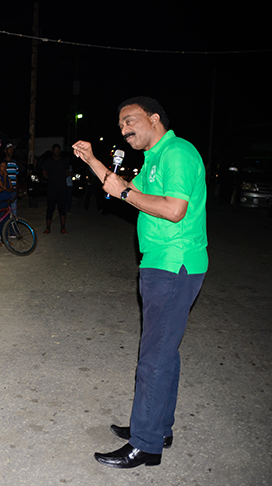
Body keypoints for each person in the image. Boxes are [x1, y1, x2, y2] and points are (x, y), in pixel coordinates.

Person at [72, 96, 208, 469]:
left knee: (153, 358)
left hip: (173, 264)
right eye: (120, 126)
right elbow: (124, 189)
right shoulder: (155, 157)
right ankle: (158, 426)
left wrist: (126, 193)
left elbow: (174, 210)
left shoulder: (176, 153)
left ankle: (145, 444)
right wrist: (93, 161)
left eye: (130, 121)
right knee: (166, 353)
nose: (124, 129)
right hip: (164, 263)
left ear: (154, 118)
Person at [42, 144, 70, 234]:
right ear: (52, 151)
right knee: (50, 208)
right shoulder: (48, 162)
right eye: (55, 150)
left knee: (62, 209)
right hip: (51, 189)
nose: (57, 151)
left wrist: (61, 178)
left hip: (62, 188)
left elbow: (67, 171)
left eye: (58, 150)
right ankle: (48, 228)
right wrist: (51, 179)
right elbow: (44, 173)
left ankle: (63, 228)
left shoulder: (64, 161)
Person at [0, 143, 19, 214]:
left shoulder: (14, 164)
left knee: (14, 211)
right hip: (5, 190)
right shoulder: (1, 164)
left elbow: (16, 177)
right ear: (5, 151)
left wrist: (16, 189)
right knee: (5, 211)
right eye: (9, 149)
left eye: (12, 149)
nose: (11, 151)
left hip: (12, 191)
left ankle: (13, 224)